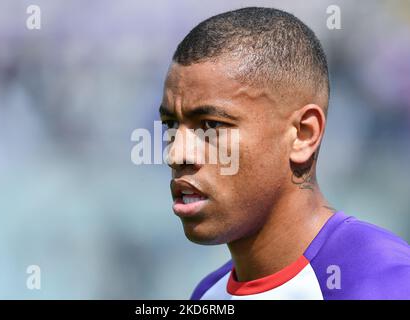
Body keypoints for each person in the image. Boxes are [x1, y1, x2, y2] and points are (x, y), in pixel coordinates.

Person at [159, 7, 410, 299]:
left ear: (303, 135)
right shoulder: (207, 294)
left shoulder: (384, 282)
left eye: (212, 125)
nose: (177, 154)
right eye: (171, 125)